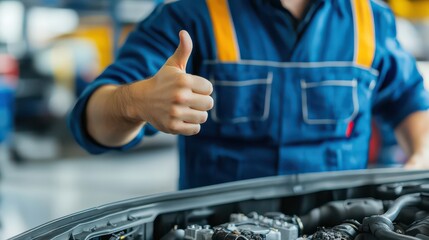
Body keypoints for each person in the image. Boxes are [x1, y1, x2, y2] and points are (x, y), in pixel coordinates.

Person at [68, 0, 429, 189]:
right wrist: (136, 102)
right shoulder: (190, 14)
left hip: (340, 226)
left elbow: (409, 100)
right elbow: (92, 122)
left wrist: (420, 157)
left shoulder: (369, 17)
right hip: (220, 230)